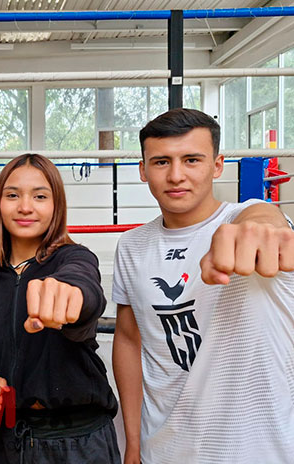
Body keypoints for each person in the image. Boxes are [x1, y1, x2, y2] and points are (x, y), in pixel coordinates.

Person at [112, 108, 294, 464]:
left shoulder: (243, 220)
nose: (176, 175)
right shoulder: (131, 245)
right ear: (143, 170)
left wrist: (258, 226)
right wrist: (132, 443)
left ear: (217, 165)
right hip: (163, 448)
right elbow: (129, 338)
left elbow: (262, 220)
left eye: (192, 159)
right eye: (161, 162)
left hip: (257, 449)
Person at [0, 154, 120, 463]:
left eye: (39, 196)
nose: (25, 207)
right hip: (10, 439)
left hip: (79, 441)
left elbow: (85, 290)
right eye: (12, 195)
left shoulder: (74, 258)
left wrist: (71, 296)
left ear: (56, 205)